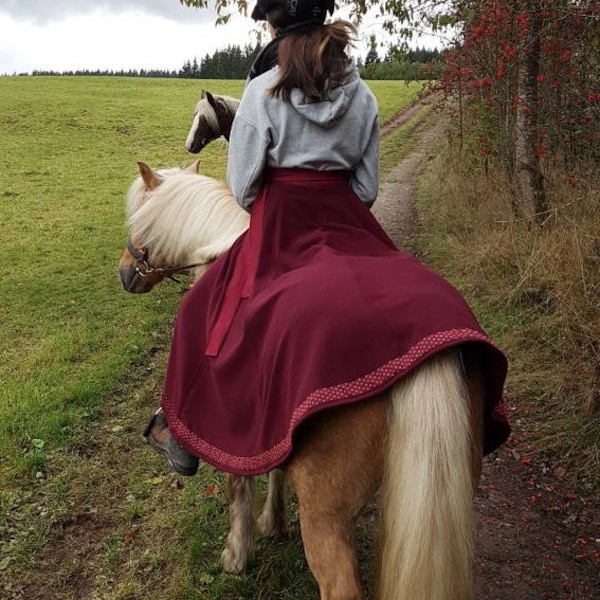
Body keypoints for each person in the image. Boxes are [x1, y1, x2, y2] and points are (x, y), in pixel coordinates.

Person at [143, 0, 509, 476]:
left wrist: (277, 206)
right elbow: (367, 189)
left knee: (201, 310)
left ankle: (183, 433)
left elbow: (243, 188)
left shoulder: (259, 93)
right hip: (347, 220)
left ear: (274, 30)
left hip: (281, 225)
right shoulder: (363, 96)